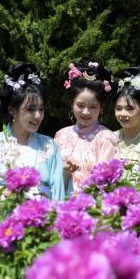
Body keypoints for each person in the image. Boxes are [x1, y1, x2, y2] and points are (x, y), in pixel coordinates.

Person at [0, 62, 64, 201]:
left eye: (41, 109)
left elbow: (58, 193)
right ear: (12, 110)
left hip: (43, 213)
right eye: (30, 109)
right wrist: (2, 191)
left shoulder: (49, 145)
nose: (38, 116)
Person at [54, 59, 118, 195]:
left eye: (93, 107)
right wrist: (65, 173)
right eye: (80, 105)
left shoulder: (107, 138)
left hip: (92, 204)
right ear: (72, 104)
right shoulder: (61, 135)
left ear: (101, 107)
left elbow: (103, 182)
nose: (86, 112)